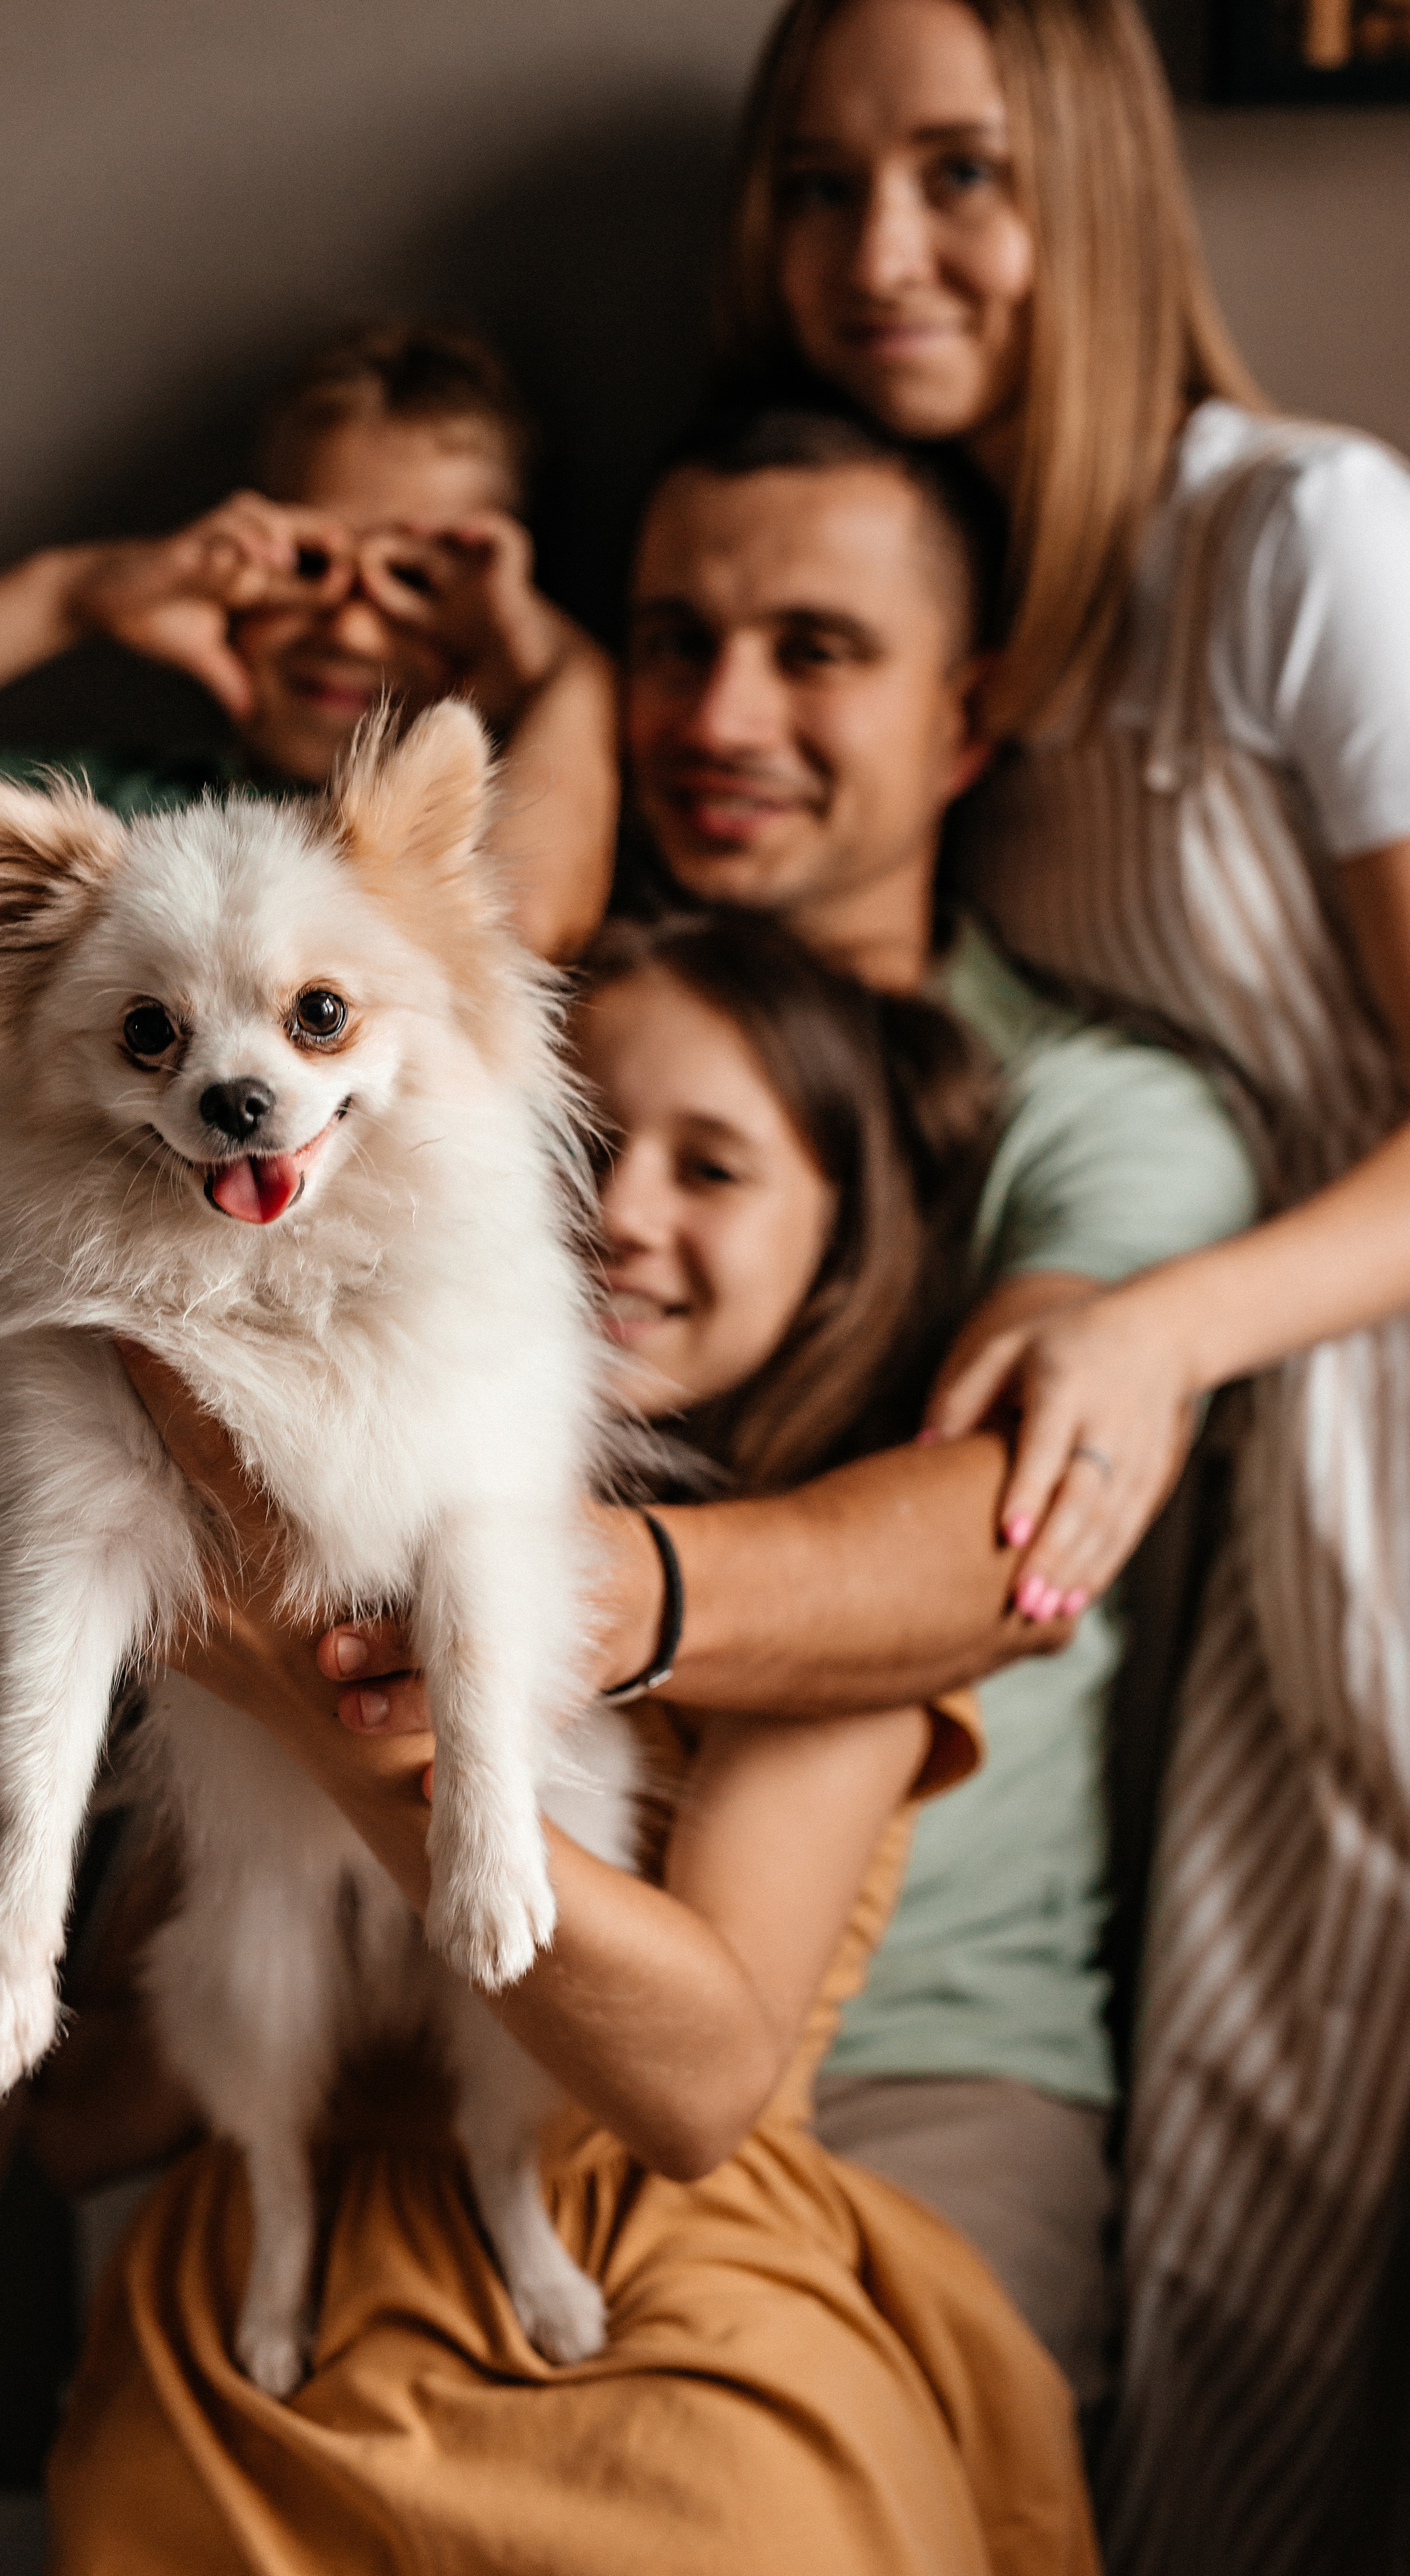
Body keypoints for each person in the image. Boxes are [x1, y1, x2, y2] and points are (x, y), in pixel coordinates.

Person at [254, 401, 1258, 2414]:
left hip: (913, 2056)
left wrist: (535, 1604)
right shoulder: (524, 1046)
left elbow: (1001, 1531)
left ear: (969, 719)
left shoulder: (1096, 1115)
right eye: (674, 641)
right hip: (456, 1992)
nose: (720, 712)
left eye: (816, 649)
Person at [717, 2, 1410, 2563]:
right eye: (815, 182)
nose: (875, 253)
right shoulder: (936, 595)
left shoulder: (1293, 540)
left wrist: (1160, 1319)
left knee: (1332, 2115)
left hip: (1320, 1365)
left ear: (1098, 187)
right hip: (1188, 1440)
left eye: (959, 175)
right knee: (1238, 2159)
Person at [45, 906, 1101, 2576]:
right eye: (586, 1138)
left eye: (715, 1171)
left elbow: (694, 2097)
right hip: (277, 2290)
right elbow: (92, 2105)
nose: (619, 1215)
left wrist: (335, 1720)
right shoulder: (262, 1526)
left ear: (836, 1242)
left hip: (651, 2260)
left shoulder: (839, 1602)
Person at [0, 320, 616, 1743]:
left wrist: (561, 669)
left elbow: (532, 903)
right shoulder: (97, 838)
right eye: (308, 557)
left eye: (419, 572)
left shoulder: (417, 904)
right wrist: (75, 593)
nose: (349, 615)